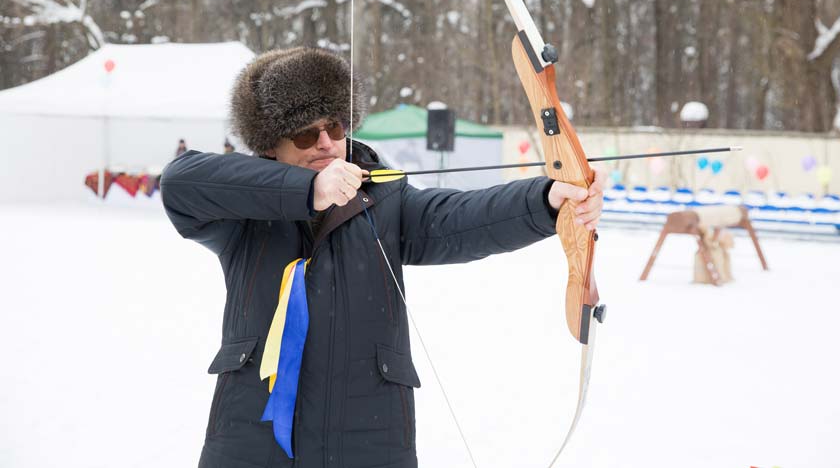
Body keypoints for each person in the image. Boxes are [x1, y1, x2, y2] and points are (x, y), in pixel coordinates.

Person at [160, 47, 604, 468]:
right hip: (252, 443)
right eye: (303, 133)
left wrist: (547, 200)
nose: (324, 143)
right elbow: (180, 182)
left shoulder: (384, 198)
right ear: (270, 144)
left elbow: (456, 218)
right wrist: (307, 191)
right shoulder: (243, 211)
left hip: (369, 438)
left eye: (334, 127)